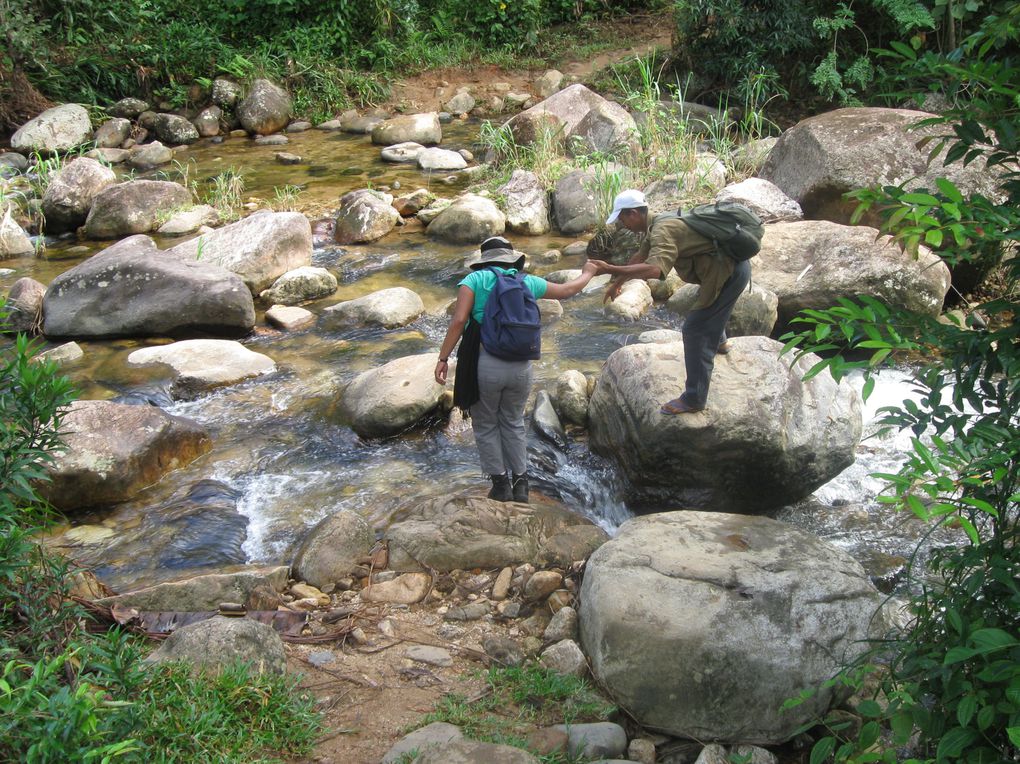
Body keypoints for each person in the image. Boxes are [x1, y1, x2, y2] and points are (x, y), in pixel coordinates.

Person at [435, 236, 599, 503]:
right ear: (511, 259)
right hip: (522, 367)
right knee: (512, 422)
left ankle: (500, 485)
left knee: (486, 424)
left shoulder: (473, 282)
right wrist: (588, 272)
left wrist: (443, 358)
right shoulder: (526, 282)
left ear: (484, 260)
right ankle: (521, 484)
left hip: (486, 364)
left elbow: (459, 320)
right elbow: (569, 290)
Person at [589, 189, 751, 414]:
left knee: (695, 330)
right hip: (723, 271)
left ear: (634, 213)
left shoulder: (662, 230)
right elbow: (641, 257)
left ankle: (694, 399)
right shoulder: (657, 222)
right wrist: (617, 282)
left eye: (622, 218)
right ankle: (720, 341)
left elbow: (656, 270)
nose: (622, 224)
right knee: (707, 313)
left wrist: (609, 268)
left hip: (728, 274)